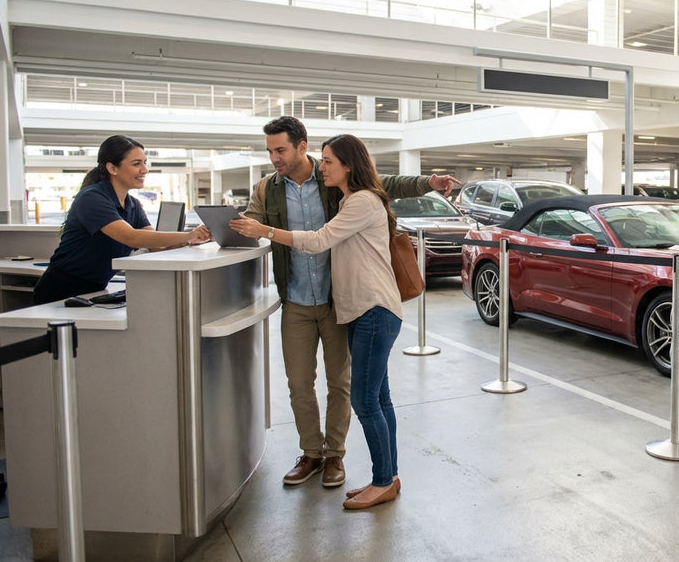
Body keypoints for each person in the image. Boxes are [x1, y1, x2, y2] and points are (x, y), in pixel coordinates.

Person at [243, 116, 460, 489]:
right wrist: (216, 231)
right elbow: (249, 222)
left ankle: (338, 457)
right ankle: (313, 453)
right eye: (270, 151)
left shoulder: (337, 183)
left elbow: (381, 183)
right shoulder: (268, 189)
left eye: (280, 150)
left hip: (340, 301)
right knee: (300, 384)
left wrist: (427, 183)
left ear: (301, 146)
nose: (275, 158)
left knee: (344, 385)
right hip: (297, 297)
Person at [232, 134, 406, 510]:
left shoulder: (361, 201)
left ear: (348, 165)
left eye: (328, 161)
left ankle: (382, 481)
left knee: (365, 401)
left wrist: (266, 232)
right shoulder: (349, 200)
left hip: (373, 309)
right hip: (365, 310)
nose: (321, 166)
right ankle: (388, 476)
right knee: (379, 398)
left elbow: (317, 241)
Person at [33, 135, 211, 305]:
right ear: (112, 168)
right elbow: (131, 237)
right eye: (136, 164)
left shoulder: (132, 204)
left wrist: (194, 240)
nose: (145, 170)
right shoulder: (92, 198)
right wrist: (188, 235)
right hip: (60, 291)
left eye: (145, 163)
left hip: (94, 289)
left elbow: (156, 246)